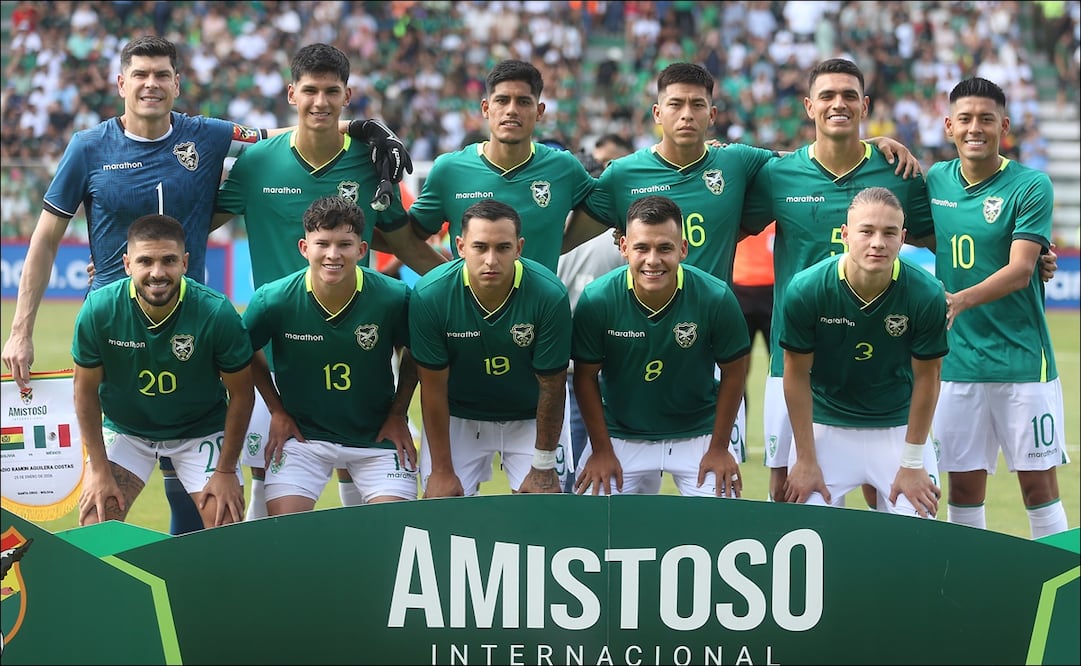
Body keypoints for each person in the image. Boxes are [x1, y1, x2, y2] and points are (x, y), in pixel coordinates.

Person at [1, 35, 410, 535]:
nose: (151, 84)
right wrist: (21, 329)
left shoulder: (209, 135)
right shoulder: (88, 147)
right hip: (115, 321)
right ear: (120, 83)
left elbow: (289, 127)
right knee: (103, 499)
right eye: (140, 74)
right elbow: (44, 241)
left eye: (161, 75)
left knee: (201, 493)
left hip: (191, 323)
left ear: (178, 83)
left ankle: (199, 591)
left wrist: (362, 127)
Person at [212, 42, 441, 519]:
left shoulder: (371, 161)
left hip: (353, 346)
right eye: (310, 91)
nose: (320, 102)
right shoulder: (257, 163)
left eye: (331, 92)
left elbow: (404, 244)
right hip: (275, 352)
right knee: (268, 470)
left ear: (347, 95)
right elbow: (196, 222)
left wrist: (462, 284)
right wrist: (119, 256)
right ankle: (265, 575)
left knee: (356, 464)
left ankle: (356, 565)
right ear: (292, 93)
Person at [742, 58, 940, 505]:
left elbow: (941, 240)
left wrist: (1037, 257)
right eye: (827, 96)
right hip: (796, 360)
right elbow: (721, 227)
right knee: (790, 494)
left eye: (849, 95)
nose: (839, 104)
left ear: (865, 105)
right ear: (809, 106)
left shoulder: (898, 172)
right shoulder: (780, 174)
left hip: (879, 359)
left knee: (881, 489)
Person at [928, 77, 1070, 538]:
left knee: (1039, 490)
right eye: (965, 119)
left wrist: (958, 300)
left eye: (986, 119)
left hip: (1023, 362)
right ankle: (967, 596)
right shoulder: (933, 181)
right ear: (949, 125)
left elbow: (1022, 270)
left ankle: (1065, 597)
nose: (975, 128)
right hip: (957, 365)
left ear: (1003, 126)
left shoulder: (1030, 184)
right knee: (963, 492)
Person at [72, 214, 254, 528]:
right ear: (128, 264)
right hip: (127, 431)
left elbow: (242, 394)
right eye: (146, 261)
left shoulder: (215, 312)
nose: (158, 273)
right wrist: (98, 470)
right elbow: (84, 392)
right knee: (96, 519)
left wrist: (225, 471)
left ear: (185, 262)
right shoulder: (99, 309)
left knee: (226, 522)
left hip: (200, 431)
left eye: (168, 260)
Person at [241, 196, 418, 514]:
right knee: (287, 535)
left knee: (394, 531)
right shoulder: (273, 300)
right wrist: (277, 411)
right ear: (304, 247)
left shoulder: (395, 298)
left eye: (344, 244)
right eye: (322, 243)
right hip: (304, 438)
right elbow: (242, 352)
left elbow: (419, 352)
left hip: (376, 437)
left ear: (362, 250)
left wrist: (398, 413)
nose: (333, 255)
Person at [780, 187, 946, 518]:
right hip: (825, 427)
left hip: (898, 429)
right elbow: (795, 374)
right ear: (845, 234)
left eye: (889, 233)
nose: (877, 243)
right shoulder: (807, 288)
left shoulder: (927, 293)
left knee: (918, 536)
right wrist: (805, 458)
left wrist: (913, 463)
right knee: (808, 538)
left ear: (903, 238)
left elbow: (929, 378)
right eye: (866, 231)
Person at [571, 195, 751, 497]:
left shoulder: (715, 296)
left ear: (682, 249)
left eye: (665, 248)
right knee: (593, 529)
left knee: (722, 526)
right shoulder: (598, 298)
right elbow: (584, 377)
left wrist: (719, 447)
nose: (652, 260)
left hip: (698, 433)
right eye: (642, 248)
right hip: (620, 434)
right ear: (625, 247)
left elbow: (734, 373)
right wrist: (601, 449)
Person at [409, 199, 572, 497]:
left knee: (545, 514)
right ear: (460, 246)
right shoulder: (430, 295)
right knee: (442, 511)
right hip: (459, 416)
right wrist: (442, 470)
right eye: (480, 247)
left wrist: (544, 464)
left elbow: (552, 384)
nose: (491, 260)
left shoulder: (549, 294)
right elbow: (432, 387)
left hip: (532, 416)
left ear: (519, 247)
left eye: (503, 248)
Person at [405, 59, 596, 274]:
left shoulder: (564, 168)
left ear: (540, 111)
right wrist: (446, 280)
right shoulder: (449, 170)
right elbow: (407, 238)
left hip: (539, 307)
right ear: (486, 108)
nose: (511, 110)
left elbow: (608, 205)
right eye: (502, 100)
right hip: (468, 308)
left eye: (523, 102)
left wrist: (562, 243)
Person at [556, 133, 634, 492]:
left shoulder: (552, 234)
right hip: (610, 363)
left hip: (567, 365)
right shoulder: (615, 235)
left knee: (572, 456)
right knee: (612, 455)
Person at [732, 220, 776, 414]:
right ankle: (736, 433)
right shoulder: (742, 197)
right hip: (740, 288)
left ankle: (775, 433)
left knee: (780, 371)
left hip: (774, 290)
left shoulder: (779, 198)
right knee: (737, 371)